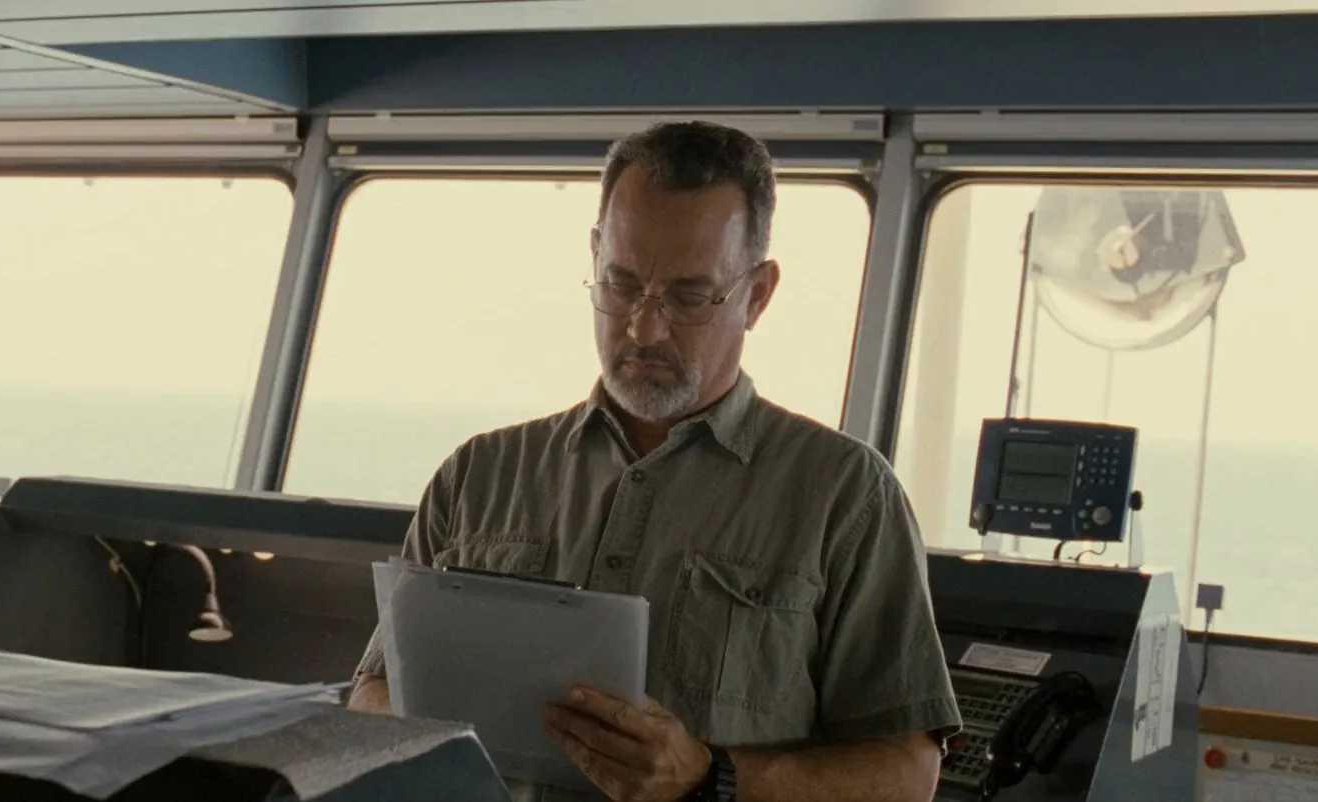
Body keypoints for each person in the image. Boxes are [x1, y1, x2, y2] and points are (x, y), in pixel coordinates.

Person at [344, 121, 962, 802]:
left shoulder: (846, 494)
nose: (644, 327)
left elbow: (908, 773)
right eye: (621, 285)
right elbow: (374, 689)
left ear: (757, 295)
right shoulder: (477, 475)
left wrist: (710, 778)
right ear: (595, 257)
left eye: (688, 297)